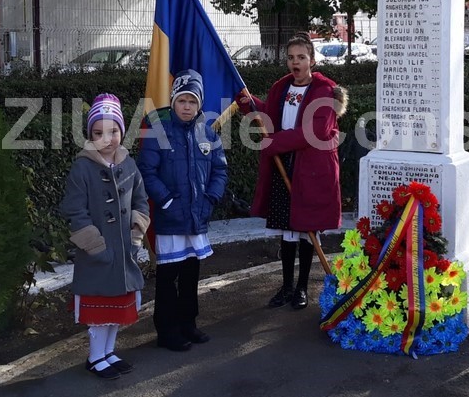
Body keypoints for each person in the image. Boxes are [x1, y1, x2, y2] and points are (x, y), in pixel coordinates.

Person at [237, 32, 347, 310]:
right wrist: (249, 104)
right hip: (285, 163)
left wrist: (275, 142)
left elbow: (315, 131)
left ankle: (302, 288)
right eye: (290, 57)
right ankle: (286, 286)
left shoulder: (324, 90)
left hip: (311, 169)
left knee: (306, 229)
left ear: (311, 59)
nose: (295, 62)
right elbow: (270, 119)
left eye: (301, 57)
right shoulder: (281, 88)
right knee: (287, 229)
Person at [60, 93, 149, 380]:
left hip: (124, 254)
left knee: (117, 310)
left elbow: (141, 201)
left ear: (122, 132)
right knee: (99, 313)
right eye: (98, 133)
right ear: (90, 134)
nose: (106, 139)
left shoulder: (129, 165)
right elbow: (75, 211)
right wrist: (95, 247)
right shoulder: (82, 167)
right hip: (97, 256)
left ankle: (109, 352)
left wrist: (136, 237)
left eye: (113, 131)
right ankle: (95, 356)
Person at [138, 69, 227, 351]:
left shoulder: (207, 132)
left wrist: (211, 198)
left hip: (196, 217)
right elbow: (147, 171)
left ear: (199, 104)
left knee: (191, 273)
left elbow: (220, 170)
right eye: (182, 101)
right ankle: (167, 330)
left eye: (192, 101)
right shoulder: (158, 131)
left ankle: (189, 323)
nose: (187, 106)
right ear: (174, 101)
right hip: (170, 218)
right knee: (168, 276)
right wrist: (166, 201)